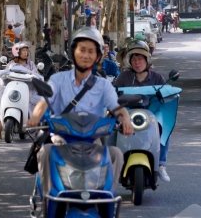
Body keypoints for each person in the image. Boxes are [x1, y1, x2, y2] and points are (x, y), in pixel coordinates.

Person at [26, 27, 133, 188]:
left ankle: (106, 199)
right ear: (73, 52)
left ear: (97, 56)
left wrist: (126, 120)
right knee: (45, 152)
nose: (86, 55)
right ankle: (50, 199)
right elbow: (44, 102)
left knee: (116, 154)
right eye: (82, 50)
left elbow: (117, 108)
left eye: (91, 51)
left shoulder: (103, 85)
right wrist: (35, 118)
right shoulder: (58, 79)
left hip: (93, 142)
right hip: (61, 140)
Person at [113, 40, 172, 182]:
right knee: (110, 127)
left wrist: (171, 93)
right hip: (127, 113)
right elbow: (112, 94)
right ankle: (110, 163)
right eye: (133, 59)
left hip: (151, 114)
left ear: (147, 60)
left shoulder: (157, 77)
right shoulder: (124, 77)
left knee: (164, 127)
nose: (137, 62)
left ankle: (161, 164)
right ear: (129, 61)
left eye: (140, 58)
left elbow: (167, 94)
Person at [0, 42, 41, 140]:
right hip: (14, 90)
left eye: (27, 51)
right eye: (23, 51)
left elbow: (36, 75)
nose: (26, 53)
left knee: (39, 104)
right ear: (17, 52)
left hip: (28, 91)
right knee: (2, 106)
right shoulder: (11, 64)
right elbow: (4, 75)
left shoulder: (31, 64)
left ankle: (37, 131)